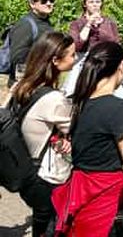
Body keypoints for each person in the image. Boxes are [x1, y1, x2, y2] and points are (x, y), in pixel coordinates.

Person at [51, 41, 123, 236]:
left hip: (80, 193)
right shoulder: (119, 109)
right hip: (106, 199)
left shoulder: (81, 104)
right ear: (121, 65)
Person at [11, 32, 76, 237]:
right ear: (55, 60)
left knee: (41, 217)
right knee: (49, 223)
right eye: (72, 55)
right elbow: (76, 128)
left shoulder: (22, 87)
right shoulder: (54, 99)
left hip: (23, 167)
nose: (75, 59)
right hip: (45, 176)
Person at [64, 0, 120, 97]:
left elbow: (116, 42)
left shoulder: (109, 22)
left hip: (107, 60)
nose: (95, 5)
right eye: (91, 2)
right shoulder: (77, 24)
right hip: (85, 61)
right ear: (85, 4)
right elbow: (77, 44)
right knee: (73, 92)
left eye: (98, 2)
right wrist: (89, 24)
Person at [6, 0, 56, 87]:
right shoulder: (26, 25)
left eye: (52, 0)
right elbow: (18, 58)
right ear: (32, 4)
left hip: (42, 79)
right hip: (28, 83)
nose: (49, 3)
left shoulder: (45, 22)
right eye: (44, 1)